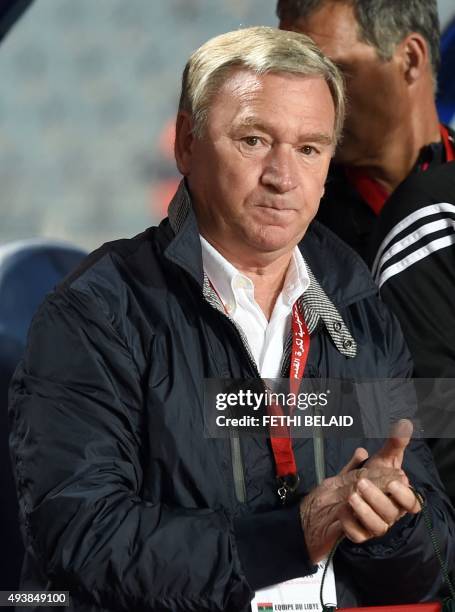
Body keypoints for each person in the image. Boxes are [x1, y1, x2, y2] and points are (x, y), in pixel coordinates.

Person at [8, 26, 454, 611]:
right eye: (253, 140)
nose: (283, 176)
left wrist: (393, 529)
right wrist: (293, 535)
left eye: (309, 148)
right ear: (187, 144)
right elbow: (82, 541)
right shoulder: (94, 314)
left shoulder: (362, 310)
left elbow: (436, 556)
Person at [278, 0, 455, 503]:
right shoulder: (273, 230)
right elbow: (227, 408)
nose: (304, 99)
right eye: (291, 73)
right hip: (353, 553)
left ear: (412, 59)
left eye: (332, 71)